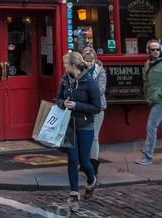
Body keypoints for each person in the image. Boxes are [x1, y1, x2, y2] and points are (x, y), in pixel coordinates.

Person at [56, 50, 101, 208]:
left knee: (84, 161)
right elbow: (58, 99)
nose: (64, 66)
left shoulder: (89, 82)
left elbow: (97, 107)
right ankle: (74, 195)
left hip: (85, 125)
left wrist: (77, 105)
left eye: (65, 64)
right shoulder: (65, 80)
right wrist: (63, 103)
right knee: (72, 159)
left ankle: (91, 179)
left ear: (73, 65)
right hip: (69, 126)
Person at [81, 47, 107, 175]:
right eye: (87, 61)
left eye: (91, 60)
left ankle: (94, 164)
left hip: (97, 108)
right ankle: (85, 162)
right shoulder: (79, 72)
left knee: (94, 136)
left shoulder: (100, 71)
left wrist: (86, 94)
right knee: (84, 137)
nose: (89, 63)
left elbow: (101, 89)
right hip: (83, 108)